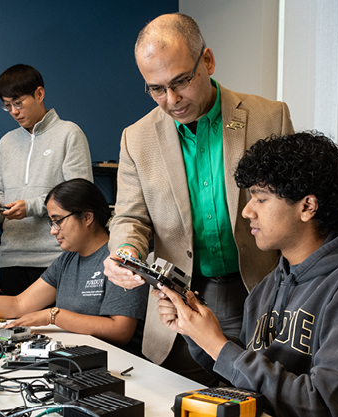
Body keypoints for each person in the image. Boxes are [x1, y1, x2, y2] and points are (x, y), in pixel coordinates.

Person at [155, 131, 338, 416]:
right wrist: (199, 334)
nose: (246, 211)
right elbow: (248, 384)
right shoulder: (268, 286)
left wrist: (218, 345)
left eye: (260, 199)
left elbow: (326, 406)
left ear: (307, 206)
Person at [103, 13, 294, 383]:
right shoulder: (136, 138)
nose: (171, 100)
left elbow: (293, 207)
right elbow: (130, 218)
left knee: (259, 396)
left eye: (181, 82)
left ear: (206, 60)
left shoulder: (269, 117)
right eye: (156, 89)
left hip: (258, 290)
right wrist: (126, 251)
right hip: (180, 302)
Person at [0, 179, 148, 351]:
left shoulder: (120, 259)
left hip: (120, 365)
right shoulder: (67, 260)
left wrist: (51, 316)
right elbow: (19, 304)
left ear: (88, 217)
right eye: (51, 222)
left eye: (58, 220)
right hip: (77, 357)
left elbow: (120, 331)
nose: (53, 230)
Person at [0, 64, 93, 296]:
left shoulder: (69, 133)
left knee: (55, 330)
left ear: (39, 94)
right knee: (11, 330)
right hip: (11, 258)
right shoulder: (6, 143)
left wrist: (32, 206)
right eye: (7, 106)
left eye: (18, 103)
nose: (14, 111)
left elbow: (81, 195)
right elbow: (0, 198)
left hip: (55, 256)